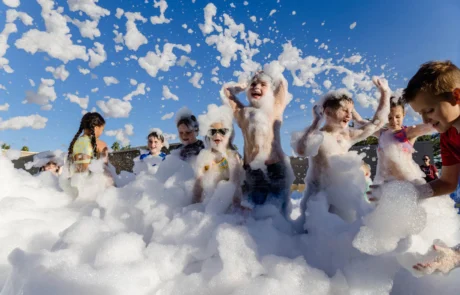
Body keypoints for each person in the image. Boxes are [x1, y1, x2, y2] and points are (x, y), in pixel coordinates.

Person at [369, 61, 460, 275]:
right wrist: (409, 194)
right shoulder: (448, 137)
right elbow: (447, 182)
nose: (425, 119)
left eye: (429, 109)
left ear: (457, 96)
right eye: (420, 113)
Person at [292, 77, 390, 227]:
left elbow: (376, 124)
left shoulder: (348, 135)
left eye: (351, 111)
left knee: (344, 233)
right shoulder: (317, 135)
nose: (349, 115)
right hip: (319, 199)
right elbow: (300, 150)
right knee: (316, 240)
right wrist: (314, 124)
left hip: (342, 197)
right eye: (344, 110)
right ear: (328, 112)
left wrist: (385, 93)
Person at [221, 67, 293, 215]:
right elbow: (227, 92)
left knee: (279, 215)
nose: (257, 87)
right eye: (253, 84)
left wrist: (272, 72)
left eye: (262, 84)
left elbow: (282, 85)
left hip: (277, 169)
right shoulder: (242, 113)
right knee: (254, 215)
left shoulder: (275, 108)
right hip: (252, 172)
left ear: (270, 90)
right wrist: (241, 85)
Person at [354, 97, 434, 184]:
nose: (394, 121)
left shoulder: (408, 132)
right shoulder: (382, 133)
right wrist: (351, 110)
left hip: (408, 183)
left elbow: (431, 126)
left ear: (404, 114)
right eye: (389, 118)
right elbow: (360, 121)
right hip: (385, 184)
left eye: (397, 117)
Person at [192, 104, 243, 209]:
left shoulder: (233, 157)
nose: (217, 135)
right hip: (209, 204)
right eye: (212, 131)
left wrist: (237, 209)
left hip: (228, 206)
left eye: (222, 131)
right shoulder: (204, 157)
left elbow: (236, 186)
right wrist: (193, 208)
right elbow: (198, 186)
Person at [66, 112, 114, 187]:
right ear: (96, 128)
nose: (102, 132)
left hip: (75, 184)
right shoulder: (100, 144)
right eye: (102, 129)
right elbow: (106, 171)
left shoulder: (74, 143)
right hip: (93, 187)